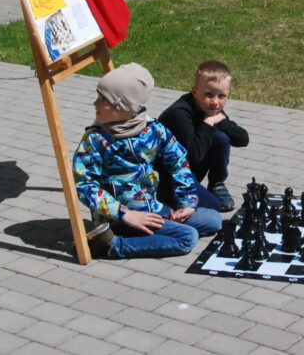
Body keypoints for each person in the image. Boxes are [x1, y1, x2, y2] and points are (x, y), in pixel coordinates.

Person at [72, 63, 222, 259]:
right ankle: (111, 245)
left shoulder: (152, 129)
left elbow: (178, 162)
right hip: (119, 218)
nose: (95, 103)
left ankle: (155, 234)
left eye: (103, 99)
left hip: (152, 208)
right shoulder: (95, 139)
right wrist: (125, 214)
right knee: (187, 238)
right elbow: (84, 185)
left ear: (124, 105)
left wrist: (187, 201)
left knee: (213, 220)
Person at [159, 60, 249, 212]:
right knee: (214, 206)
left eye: (222, 96)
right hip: (168, 175)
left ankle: (216, 184)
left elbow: (243, 139)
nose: (215, 102)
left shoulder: (209, 108)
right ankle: (170, 199)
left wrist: (222, 122)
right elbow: (193, 155)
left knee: (221, 137)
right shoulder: (179, 114)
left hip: (189, 170)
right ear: (195, 92)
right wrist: (208, 123)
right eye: (209, 95)